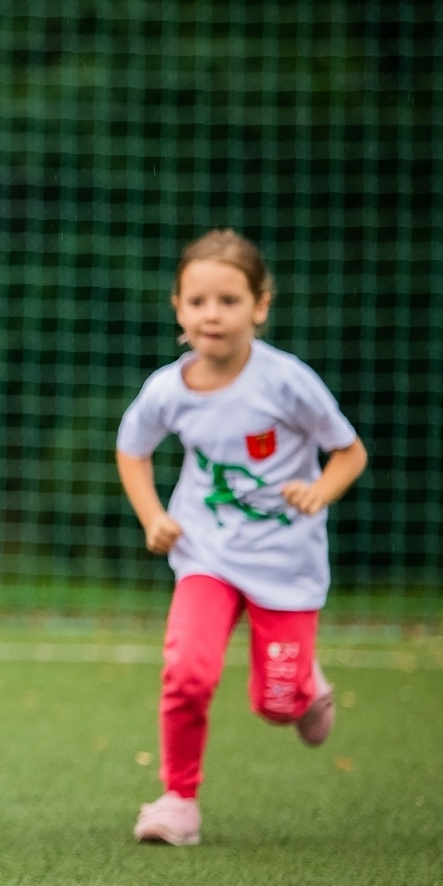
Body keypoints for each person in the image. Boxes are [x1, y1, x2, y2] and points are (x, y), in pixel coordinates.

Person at [116, 229, 367, 846]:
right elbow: (132, 451)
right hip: (205, 553)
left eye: (229, 300)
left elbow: (349, 452)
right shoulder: (167, 390)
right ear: (178, 306)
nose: (212, 314)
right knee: (187, 673)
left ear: (260, 305)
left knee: (277, 706)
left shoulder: (287, 383)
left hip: (286, 563)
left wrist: (319, 491)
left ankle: (306, 689)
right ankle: (178, 800)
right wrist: (153, 516)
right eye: (198, 301)